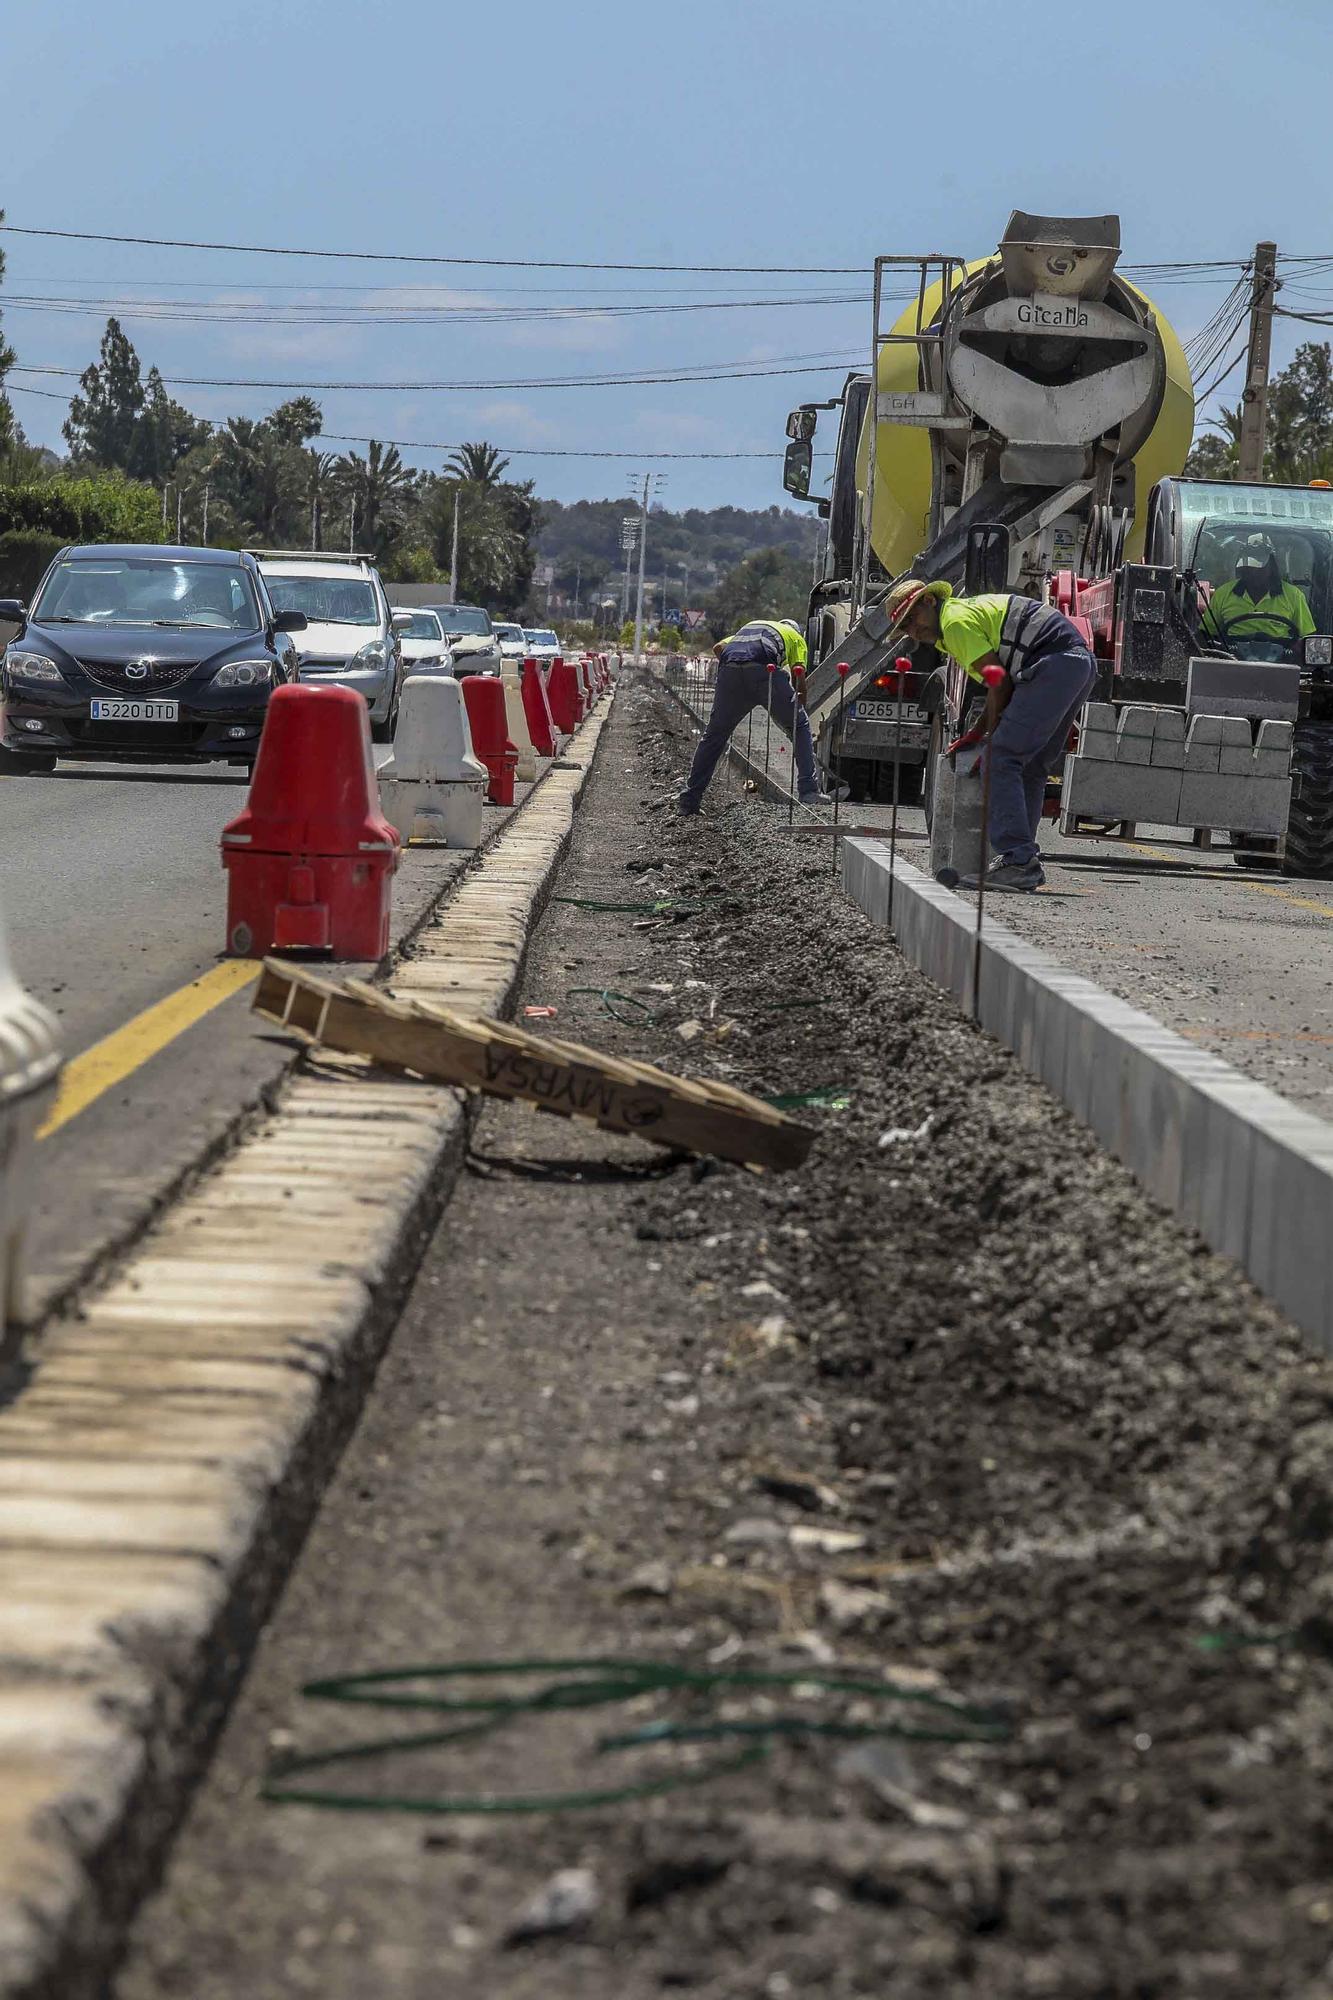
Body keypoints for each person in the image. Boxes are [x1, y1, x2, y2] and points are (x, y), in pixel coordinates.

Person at [887, 577, 1097, 892]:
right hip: (1076, 664)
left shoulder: (955, 623)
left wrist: (989, 738)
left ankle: (1017, 860)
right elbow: (996, 682)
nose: (913, 632)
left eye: (912, 619)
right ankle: (1020, 860)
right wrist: (978, 732)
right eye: (905, 628)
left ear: (929, 601)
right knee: (1031, 766)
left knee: (1000, 759)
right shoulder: (959, 617)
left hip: (1051, 666)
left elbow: (1000, 686)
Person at [677, 617, 838, 815]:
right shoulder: (796, 637)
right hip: (765, 671)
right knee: (801, 726)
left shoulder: (753, 627)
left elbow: (719, 647)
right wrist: (796, 715)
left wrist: (738, 671)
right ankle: (809, 791)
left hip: (730, 671)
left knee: (714, 736)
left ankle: (690, 799)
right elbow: (798, 676)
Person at [1200, 535, 1314, 652]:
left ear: (1272, 566)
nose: (1254, 572)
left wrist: (1295, 648)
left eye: (1260, 567)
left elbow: (1308, 640)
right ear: (1242, 567)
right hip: (1232, 660)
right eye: (1249, 566)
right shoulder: (1223, 594)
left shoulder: (1294, 596)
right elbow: (1206, 635)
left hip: (1281, 661)